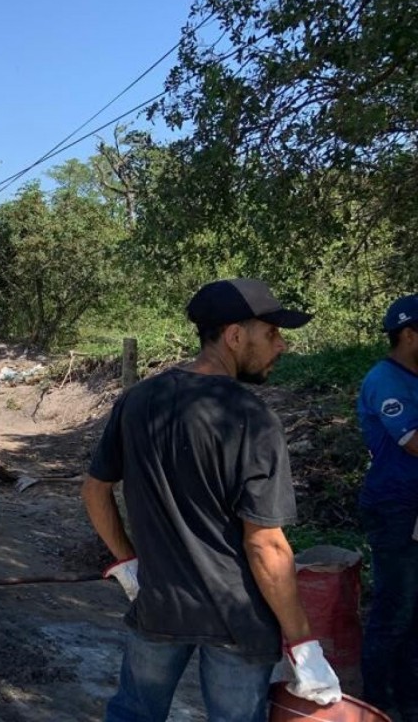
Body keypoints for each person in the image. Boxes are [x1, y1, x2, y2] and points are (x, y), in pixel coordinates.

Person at [82, 278, 341, 721]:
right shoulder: (251, 417)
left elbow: (95, 490)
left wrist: (127, 564)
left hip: (160, 604)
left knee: (133, 713)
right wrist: (303, 642)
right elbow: (266, 544)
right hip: (236, 619)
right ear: (235, 336)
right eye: (272, 333)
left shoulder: (140, 400)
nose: (281, 346)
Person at [358, 293, 418, 719]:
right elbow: (414, 443)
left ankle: (409, 697)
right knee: (394, 607)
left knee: (414, 609)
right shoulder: (385, 380)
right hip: (396, 507)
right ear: (409, 334)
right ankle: (375, 702)